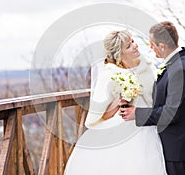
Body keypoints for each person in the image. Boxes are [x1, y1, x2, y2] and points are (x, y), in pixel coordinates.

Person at [64, 30, 167, 175]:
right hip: (122, 128)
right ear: (119, 54)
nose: (135, 46)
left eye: (132, 41)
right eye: (128, 46)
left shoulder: (146, 66)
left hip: (147, 123)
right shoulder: (110, 75)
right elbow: (102, 115)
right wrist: (120, 103)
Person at [120, 21, 185, 175]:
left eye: (152, 44)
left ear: (162, 45)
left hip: (177, 146)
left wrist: (137, 113)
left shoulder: (180, 69)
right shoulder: (178, 63)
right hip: (174, 143)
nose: (151, 48)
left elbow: (172, 112)